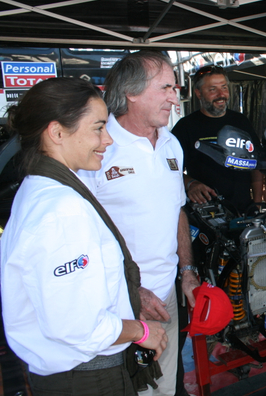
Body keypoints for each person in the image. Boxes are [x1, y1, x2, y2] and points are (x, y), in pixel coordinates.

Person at [1, 77, 168, 395]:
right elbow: (77, 326)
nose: (108, 139)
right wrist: (141, 331)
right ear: (57, 132)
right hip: (87, 378)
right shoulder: (63, 210)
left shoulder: (37, 188)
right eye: (98, 128)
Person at [78, 51, 199, 396]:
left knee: (164, 388)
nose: (174, 98)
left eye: (175, 88)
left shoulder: (172, 144)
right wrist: (133, 290)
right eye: (165, 88)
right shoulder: (96, 147)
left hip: (166, 297)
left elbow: (177, 211)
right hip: (116, 306)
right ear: (131, 92)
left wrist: (187, 271)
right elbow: (83, 235)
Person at [171, 65, 264, 212]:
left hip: (245, 211)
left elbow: (257, 165)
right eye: (212, 89)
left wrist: (257, 203)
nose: (221, 94)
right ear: (198, 93)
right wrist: (191, 184)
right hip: (206, 214)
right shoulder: (185, 127)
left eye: (224, 87)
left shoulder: (241, 121)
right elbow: (170, 171)